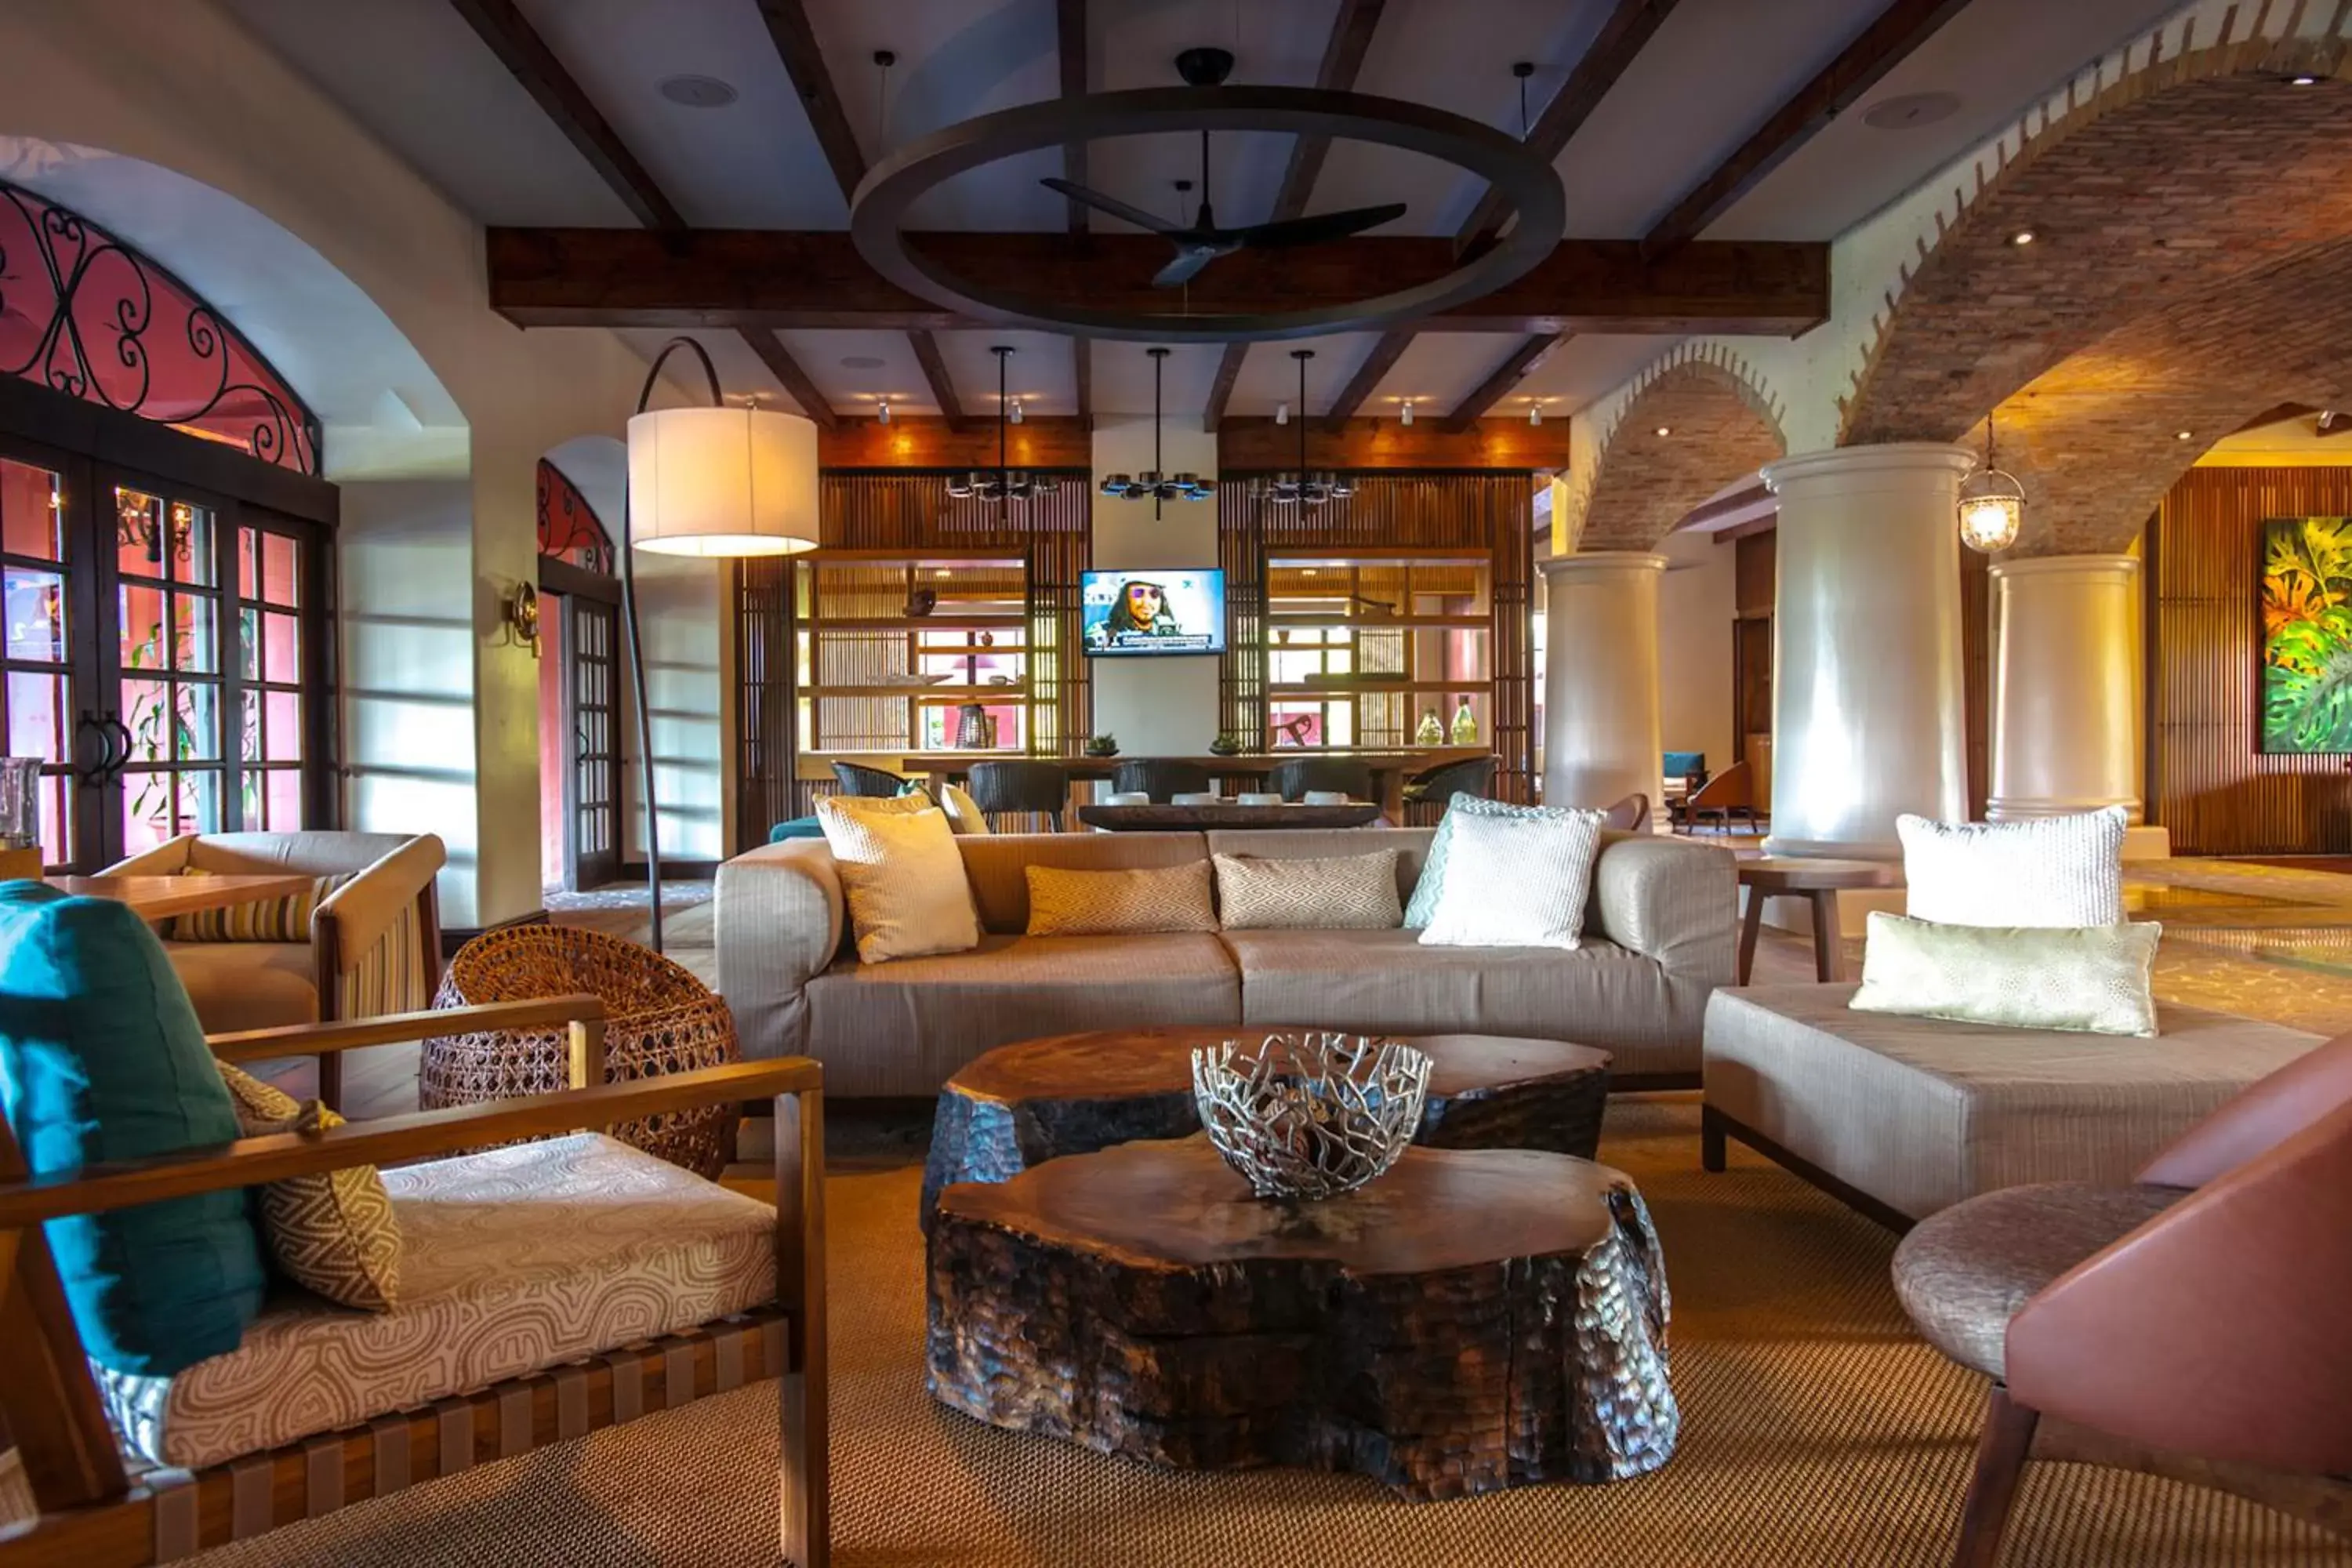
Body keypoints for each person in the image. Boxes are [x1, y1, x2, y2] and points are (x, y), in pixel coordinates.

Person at [1091, 578, 1182, 647]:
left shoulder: (1176, 636)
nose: (1146, 602)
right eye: (1138, 594)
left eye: (1155, 594)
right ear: (1125, 599)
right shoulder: (1101, 631)